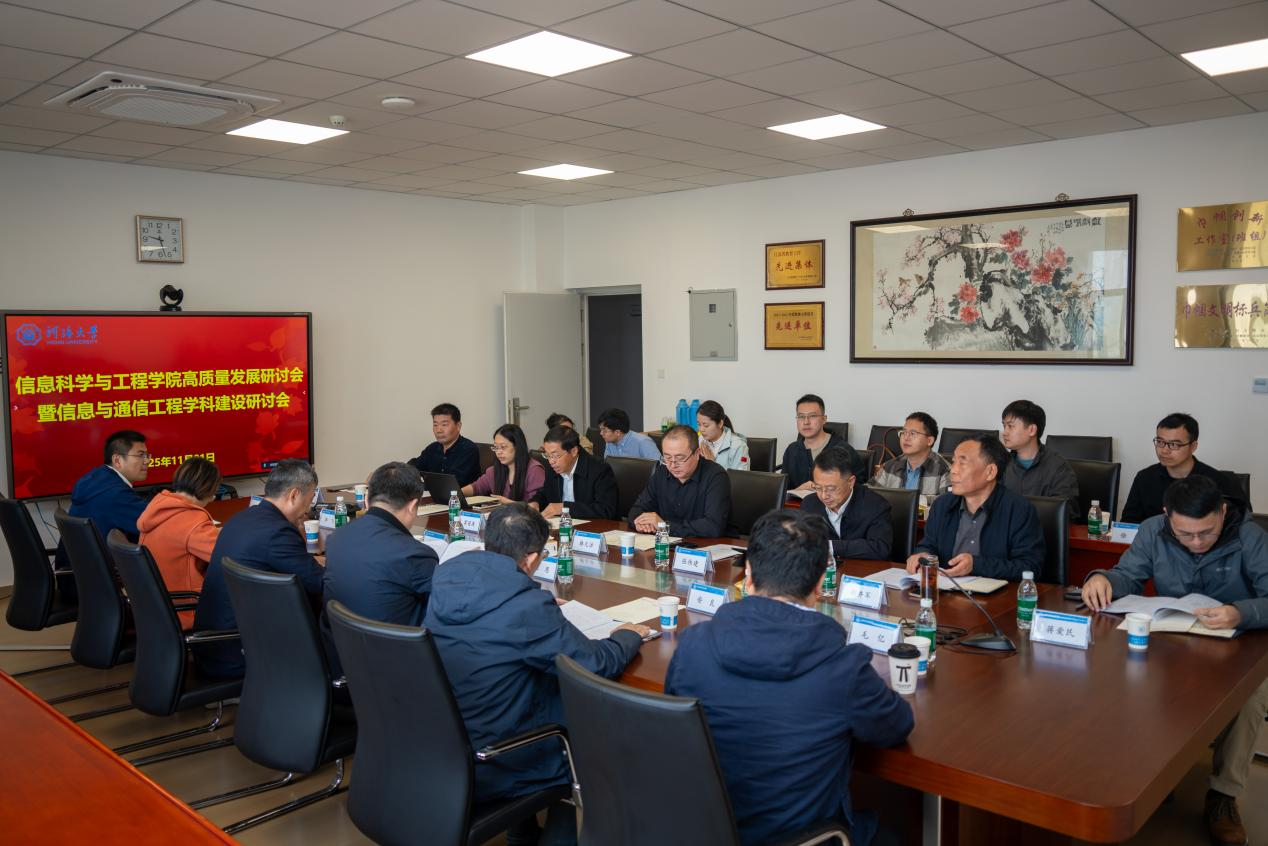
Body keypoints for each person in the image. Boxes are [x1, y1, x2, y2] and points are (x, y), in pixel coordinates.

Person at [665, 510, 913, 846]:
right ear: (820, 583)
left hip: (700, 830)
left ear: (748, 575)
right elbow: (896, 726)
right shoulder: (843, 666)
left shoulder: (693, 643)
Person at [425, 504, 651, 846]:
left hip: (443, 742)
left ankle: (522, 832)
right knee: (592, 732)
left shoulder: (448, 576)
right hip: (495, 757)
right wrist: (628, 636)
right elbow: (595, 664)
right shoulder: (524, 607)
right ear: (531, 559)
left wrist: (538, 605)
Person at [1082, 475, 1267, 846]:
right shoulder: (1153, 530)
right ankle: (1152, 774)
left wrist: (1240, 612)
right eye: (1185, 534)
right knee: (1127, 675)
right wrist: (1102, 579)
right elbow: (1128, 575)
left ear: (1223, 512)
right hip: (1173, 639)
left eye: (1206, 533)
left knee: (1250, 699)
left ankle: (1223, 795)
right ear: (1168, 516)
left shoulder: (1250, 536)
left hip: (1238, 643)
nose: (1196, 543)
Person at [192, 460, 325, 679]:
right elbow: (318, 582)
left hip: (214, 644)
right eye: (310, 499)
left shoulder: (243, 518)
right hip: (240, 651)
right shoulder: (277, 531)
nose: (309, 508)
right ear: (294, 495)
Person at [322, 462, 437, 675]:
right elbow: (442, 608)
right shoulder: (415, 554)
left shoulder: (337, 538)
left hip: (340, 658)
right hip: (395, 667)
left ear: (367, 499)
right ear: (413, 506)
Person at [906, 433, 1044, 580]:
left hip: (998, 593)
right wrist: (922, 554)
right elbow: (928, 545)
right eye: (953, 462)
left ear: (990, 472)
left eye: (962, 463)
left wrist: (976, 565)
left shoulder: (1019, 510)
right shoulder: (942, 505)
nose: (953, 470)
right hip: (945, 589)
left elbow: (1030, 567)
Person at [56, 429, 151, 598]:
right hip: (95, 583)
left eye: (147, 455)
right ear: (117, 460)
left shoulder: (96, 479)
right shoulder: (116, 495)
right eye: (140, 455)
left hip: (77, 577)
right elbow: (153, 522)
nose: (147, 461)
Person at [137, 457, 221, 630]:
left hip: (158, 606)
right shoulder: (193, 521)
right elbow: (229, 555)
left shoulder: (158, 508)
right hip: (187, 609)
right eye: (214, 493)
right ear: (207, 489)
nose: (212, 498)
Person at [1121, 412, 1251, 524]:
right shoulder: (1145, 478)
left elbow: (1239, 526)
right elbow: (1129, 523)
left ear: (1193, 446)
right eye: (1160, 442)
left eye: (1174, 444)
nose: (1164, 450)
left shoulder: (1217, 482)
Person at [629, 425, 731, 537]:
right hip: (665, 542)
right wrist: (641, 523)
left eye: (680, 458)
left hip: (706, 545)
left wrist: (664, 527)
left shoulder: (716, 476)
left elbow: (713, 526)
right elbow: (637, 509)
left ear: (697, 453)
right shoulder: (662, 471)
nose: (673, 465)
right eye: (667, 457)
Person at [800, 446, 892, 560]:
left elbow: (880, 548)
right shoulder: (809, 504)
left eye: (831, 489)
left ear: (851, 482)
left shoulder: (876, 505)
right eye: (818, 488)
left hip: (863, 569)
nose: (824, 496)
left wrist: (831, 546)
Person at [999, 399, 1080, 518]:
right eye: (1004, 426)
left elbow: (1065, 512)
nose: (1004, 432)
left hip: (1042, 529)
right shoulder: (1002, 464)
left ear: (1032, 430)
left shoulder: (1058, 467)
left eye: (1010, 426)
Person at [530, 425, 618, 519]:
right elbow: (545, 492)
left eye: (555, 456)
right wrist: (536, 502)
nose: (551, 461)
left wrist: (564, 508)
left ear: (574, 451)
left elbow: (605, 509)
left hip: (594, 526)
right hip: (562, 524)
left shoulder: (600, 469)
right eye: (547, 455)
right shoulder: (553, 466)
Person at [872, 412, 951, 499]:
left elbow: (946, 504)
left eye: (913, 433)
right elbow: (868, 495)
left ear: (929, 441)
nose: (906, 438)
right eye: (904, 432)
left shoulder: (945, 471)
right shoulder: (889, 467)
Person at [461, 423, 545, 504]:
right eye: (496, 447)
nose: (498, 452)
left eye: (503, 447)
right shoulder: (494, 470)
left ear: (518, 446)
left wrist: (507, 502)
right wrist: (456, 493)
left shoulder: (534, 470)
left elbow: (535, 507)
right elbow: (477, 487)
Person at [780, 394, 846, 491]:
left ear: (824, 419)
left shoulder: (842, 450)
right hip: (796, 501)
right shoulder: (792, 450)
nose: (806, 422)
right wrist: (798, 490)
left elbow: (856, 488)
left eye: (812, 416)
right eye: (801, 417)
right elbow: (784, 489)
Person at [407, 402, 480, 486]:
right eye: (435, 425)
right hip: (435, 493)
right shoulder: (432, 448)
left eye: (444, 425)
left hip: (460, 494)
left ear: (458, 426)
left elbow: (453, 483)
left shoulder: (469, 449)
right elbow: (414, 467)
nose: (439, 430)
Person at [696, 400, 750, 470]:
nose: (701, 429)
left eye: (706, 425)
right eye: (699, 424)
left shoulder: (738, 446)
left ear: (720, 424)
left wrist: (712, 464)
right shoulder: (700, 440)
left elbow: (739, 476)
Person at [595, 407, 661, 460]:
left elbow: (660, 468)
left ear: (617, 432)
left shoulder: (643, 442)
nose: (601, 433)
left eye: (604, 430)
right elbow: (608, 467)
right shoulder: (609, 442)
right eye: (601, 430)